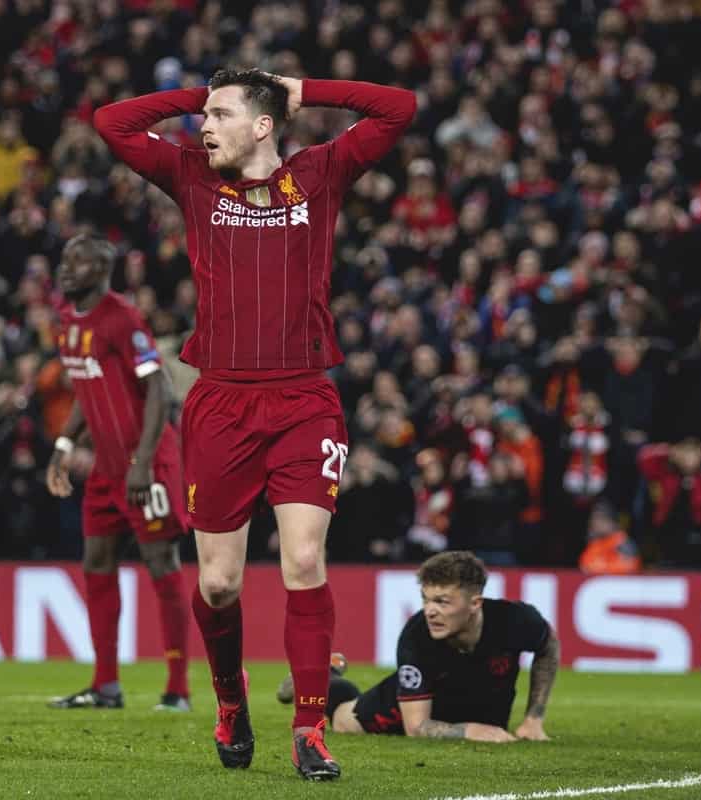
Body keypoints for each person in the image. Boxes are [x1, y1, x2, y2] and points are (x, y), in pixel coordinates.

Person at [93, 68, 415, 779]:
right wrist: (199, 94)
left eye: (219, 114)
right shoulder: (190, 176)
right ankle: (230, 701)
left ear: (263, 125)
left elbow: (398, 107)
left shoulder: (320, 173)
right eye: (201, 116)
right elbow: (112, 120)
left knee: (304, 561)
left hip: (303, 400)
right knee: (219, 584)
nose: (201, 127)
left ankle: (309, 729)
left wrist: (301, 87)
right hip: (221, 403)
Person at [45, 234, 191, 712]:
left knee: (160, 566)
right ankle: (106, 685)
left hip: (144, 466)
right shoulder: (67, 321)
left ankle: (177, 690)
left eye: (80, 262)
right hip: (105, 472)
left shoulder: (121, 318)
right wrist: (64, 445)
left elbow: (159, 389)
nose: (68, 269)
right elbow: (88, 392)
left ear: (102, 271)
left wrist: (143, 463)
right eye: (66, 260)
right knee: (96, 565)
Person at [277, 551, 560, 742]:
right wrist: (469, 731)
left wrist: (534, 718)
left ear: (475, 604)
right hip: (396, 708)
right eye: (426, 599)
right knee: (343, 718)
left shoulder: (516, 620)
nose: (430, 611)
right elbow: (417, 727)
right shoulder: (416, 637)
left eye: (442, 602)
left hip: (465, 706)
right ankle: (315, 677)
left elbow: (549, 647)